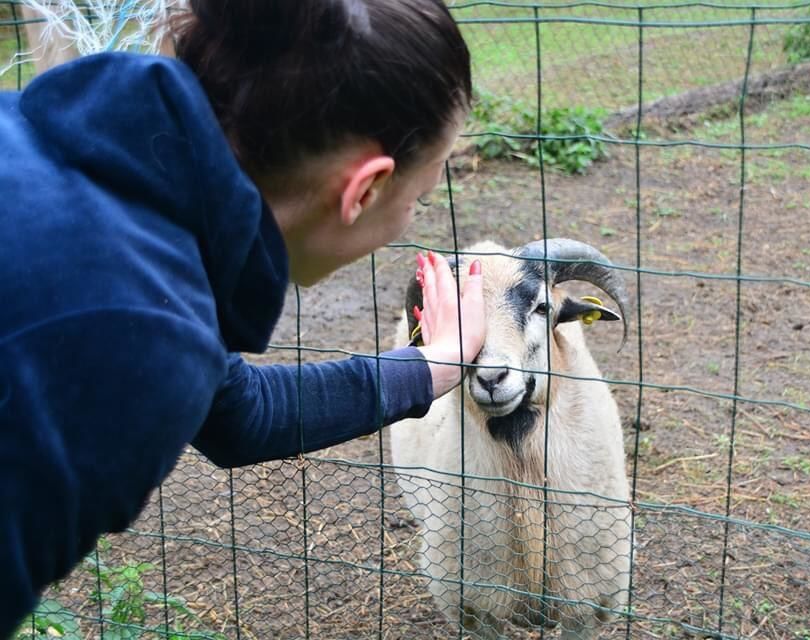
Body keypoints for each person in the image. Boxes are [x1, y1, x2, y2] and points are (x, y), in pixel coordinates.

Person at [0, 0, 486, 634]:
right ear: (364, 189)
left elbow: (236, 413)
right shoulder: (136, 336)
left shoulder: (98, 174)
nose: (413, 216)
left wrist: (431, 367)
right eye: (419, 198)